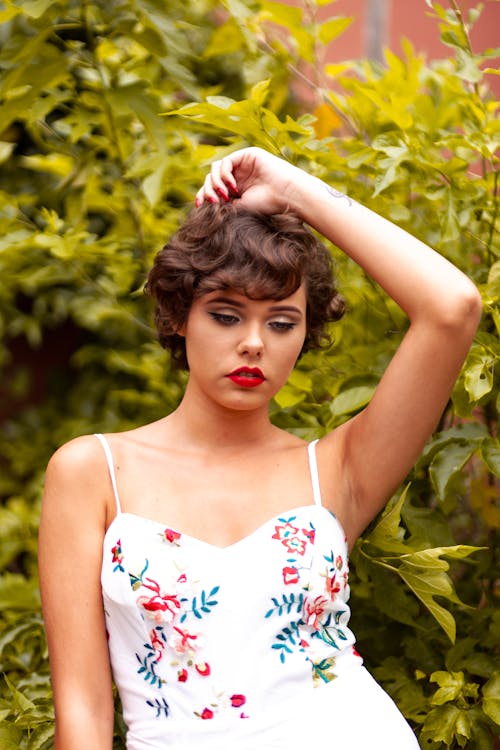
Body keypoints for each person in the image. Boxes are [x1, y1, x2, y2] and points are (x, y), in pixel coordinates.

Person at [38, 147, 482, 750]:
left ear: (306, 333)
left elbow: (452, 308)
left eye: (281, 323)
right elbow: (84, 710)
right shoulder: (94, 471)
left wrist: (292, 188)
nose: (253, 344)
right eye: (226, 316)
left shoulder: (335, 470)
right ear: (176, 316)